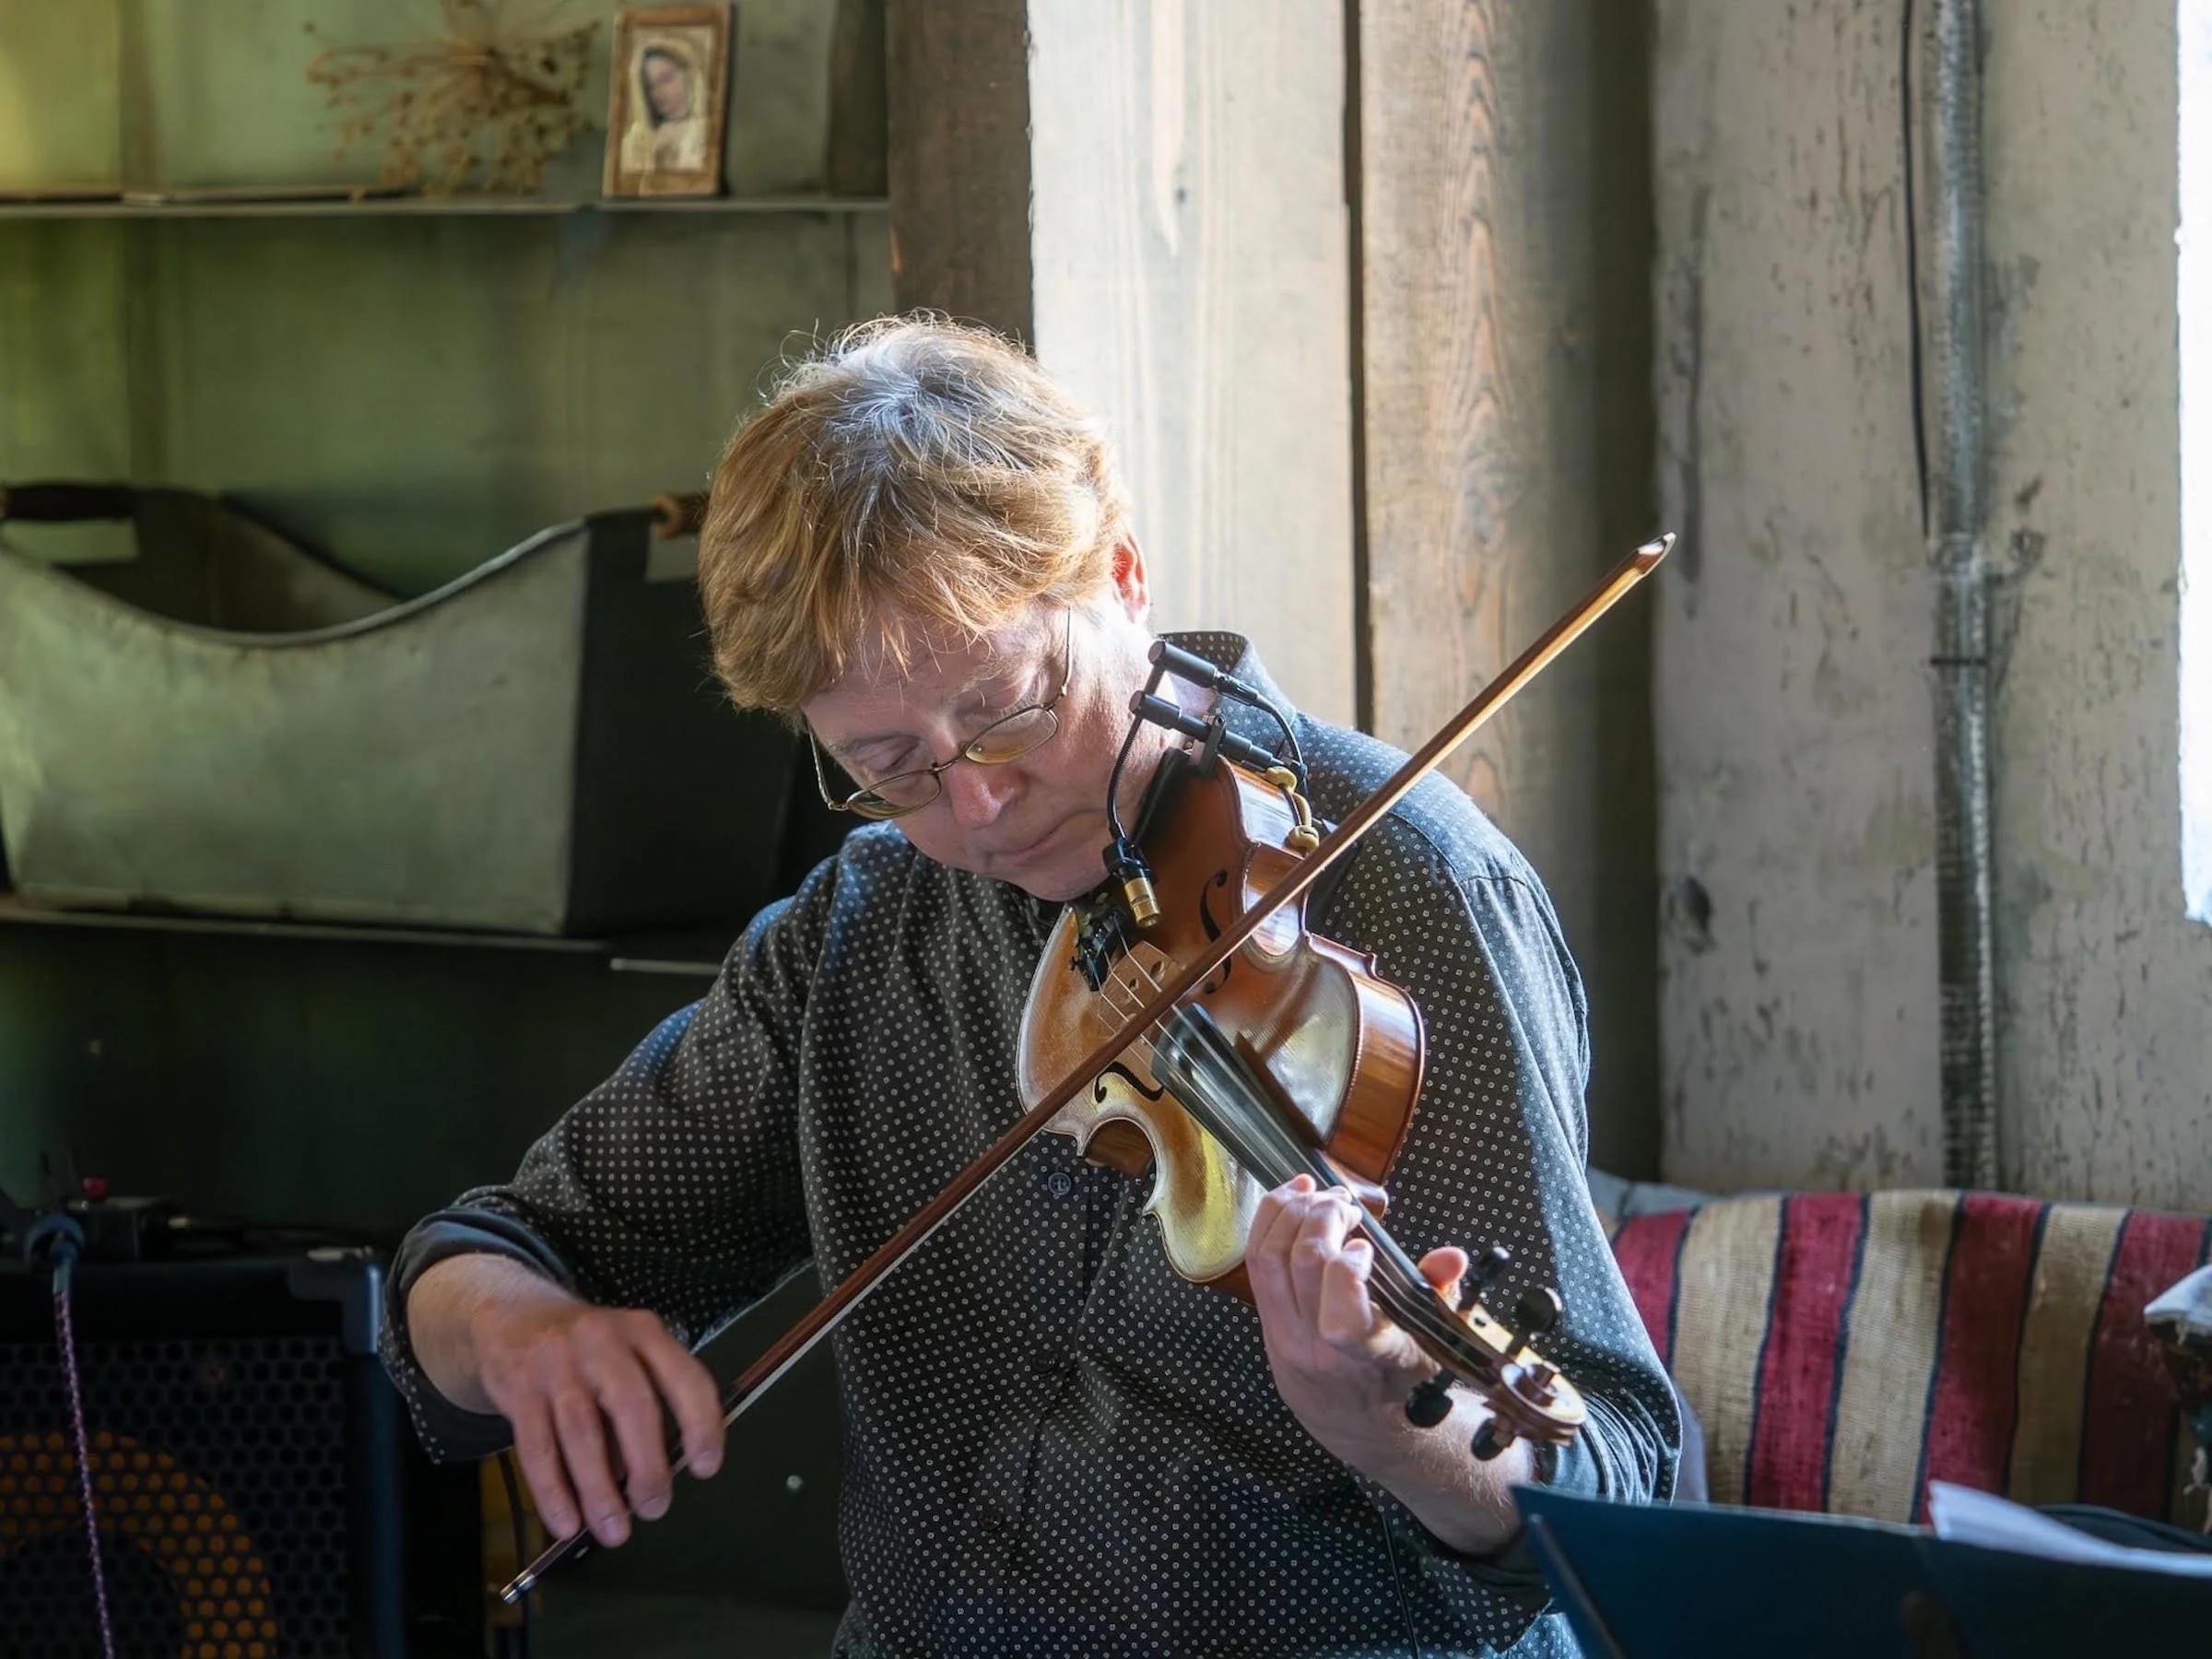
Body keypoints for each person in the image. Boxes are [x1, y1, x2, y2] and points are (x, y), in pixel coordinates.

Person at [379, 315, 1678, 1656]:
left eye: (1010, 710)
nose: (983, 808)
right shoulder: (861, 929)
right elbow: (485, 1259)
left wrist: (1401, 1435)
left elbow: (1618, 1482)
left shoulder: (1401, 886)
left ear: (1119, 577)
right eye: (892, 765)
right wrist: (518, 1331)